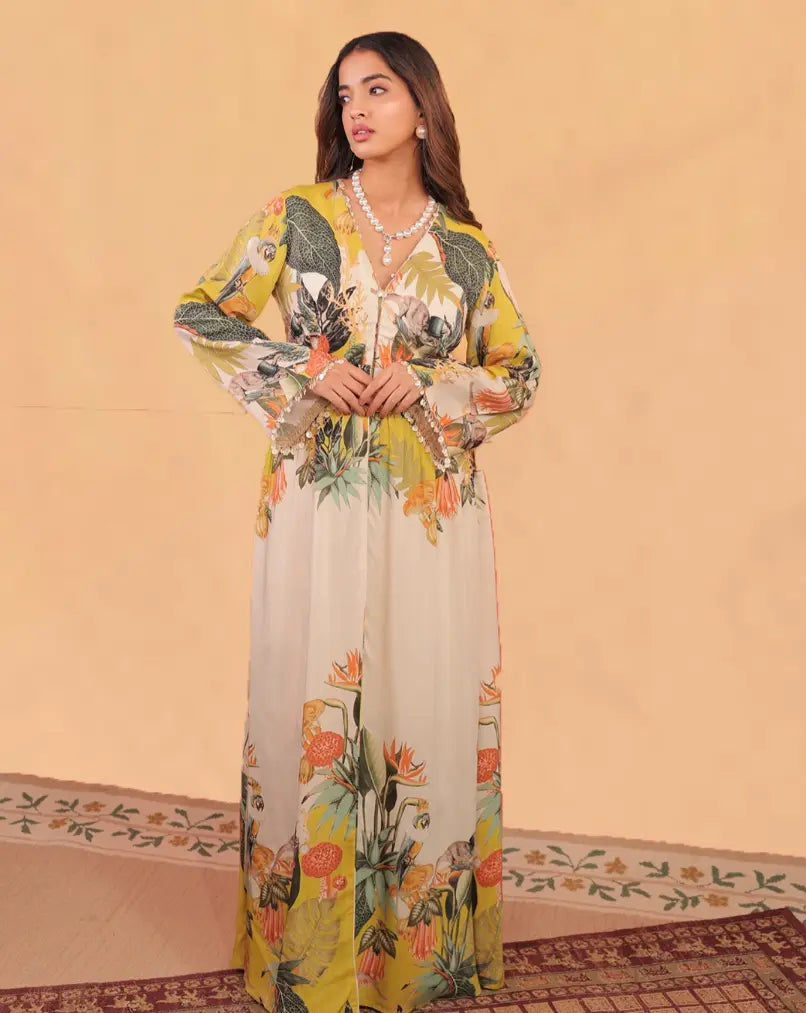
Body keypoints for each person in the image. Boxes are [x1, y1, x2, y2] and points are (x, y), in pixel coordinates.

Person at [172, 30, 542, 1013]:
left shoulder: (465, 249)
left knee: (423, 692)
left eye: (378, 90)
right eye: (345, 95)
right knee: (314, 692)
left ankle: (418, 953)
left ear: (422, 107)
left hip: (429, 512)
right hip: (317, 498)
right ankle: (307, 953)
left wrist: (428, 382)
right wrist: (306, 369)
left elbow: (519, 372)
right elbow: (201, 313)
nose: (358, 110)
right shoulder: (296, 217)